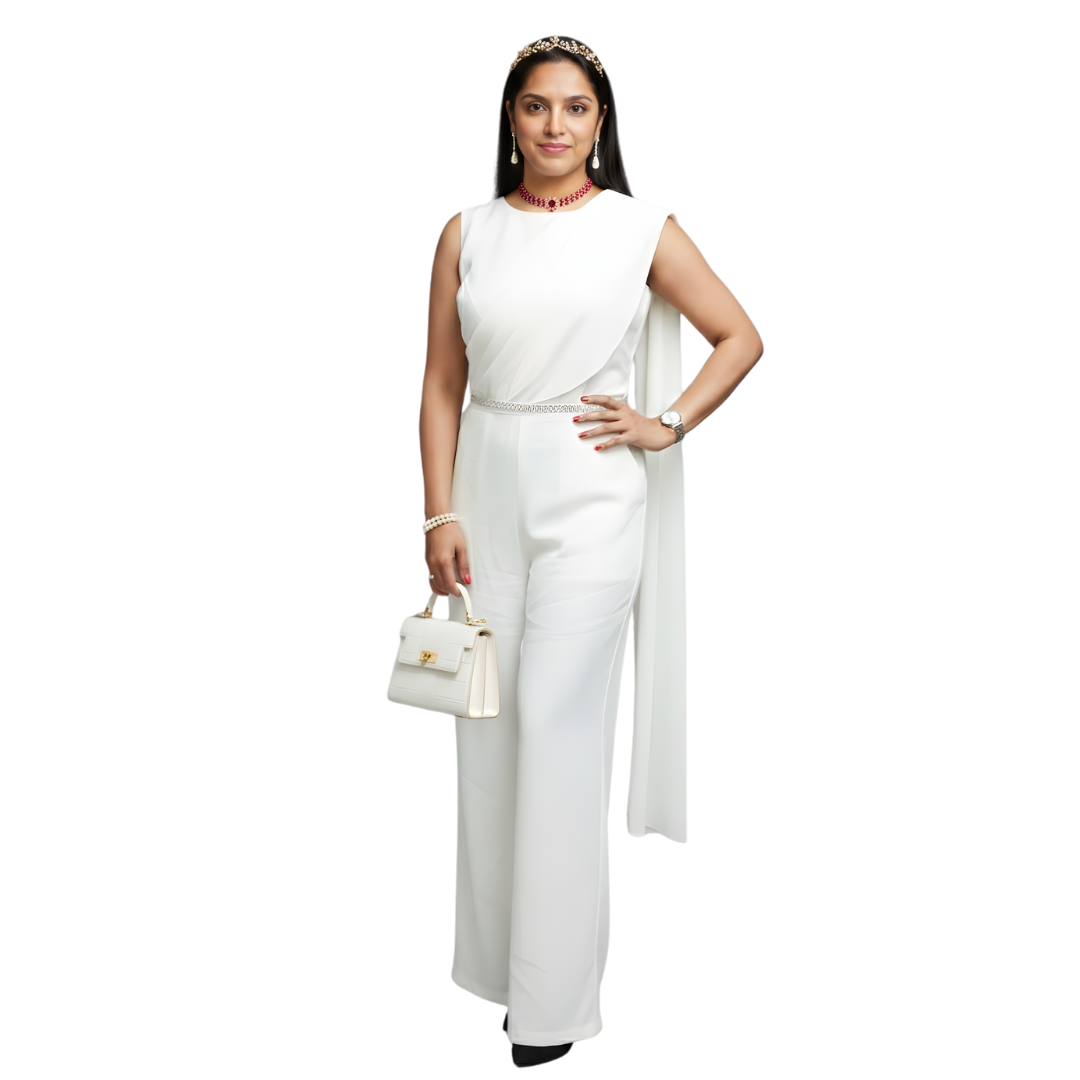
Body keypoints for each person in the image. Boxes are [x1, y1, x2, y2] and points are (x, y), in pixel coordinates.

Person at [418, 34, 764, 1067]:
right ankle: (506, 969)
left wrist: (667, 423)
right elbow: (441, 383)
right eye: (536, 106)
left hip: (592, 497)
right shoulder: (467, 232)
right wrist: (437, 515)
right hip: (486, 490)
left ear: (600, 122)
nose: (555, 125)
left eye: (575, 108)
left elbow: (740, 335)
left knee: (559, 728)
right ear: (511, 118)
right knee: (489, 732)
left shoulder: (640, 228)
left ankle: (551, 1008)